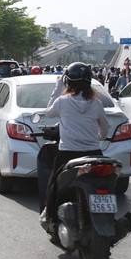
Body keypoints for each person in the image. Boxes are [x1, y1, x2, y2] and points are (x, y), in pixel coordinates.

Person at [38, 62, 109, 236]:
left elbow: (48, 113)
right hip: (93, 153)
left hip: (67, 154)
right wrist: (100, 137)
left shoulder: (62, 101)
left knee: (53, 187)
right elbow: (105, 129)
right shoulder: (97, 103)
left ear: (67, 82)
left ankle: (52, 222)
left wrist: (58, 86)